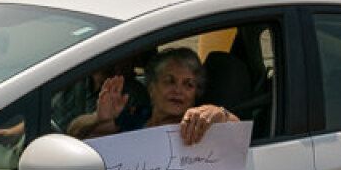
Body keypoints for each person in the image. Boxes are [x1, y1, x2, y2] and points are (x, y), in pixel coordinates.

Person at [68, 47, 238, 144]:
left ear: (196, 93)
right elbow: (74, 132)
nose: (178, 90)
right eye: (169, 81)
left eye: (188, 84)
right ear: (151, 87)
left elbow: (238, 136)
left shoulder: (196, 125)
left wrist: (220, 114)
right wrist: (98, 118)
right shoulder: (138, 115)